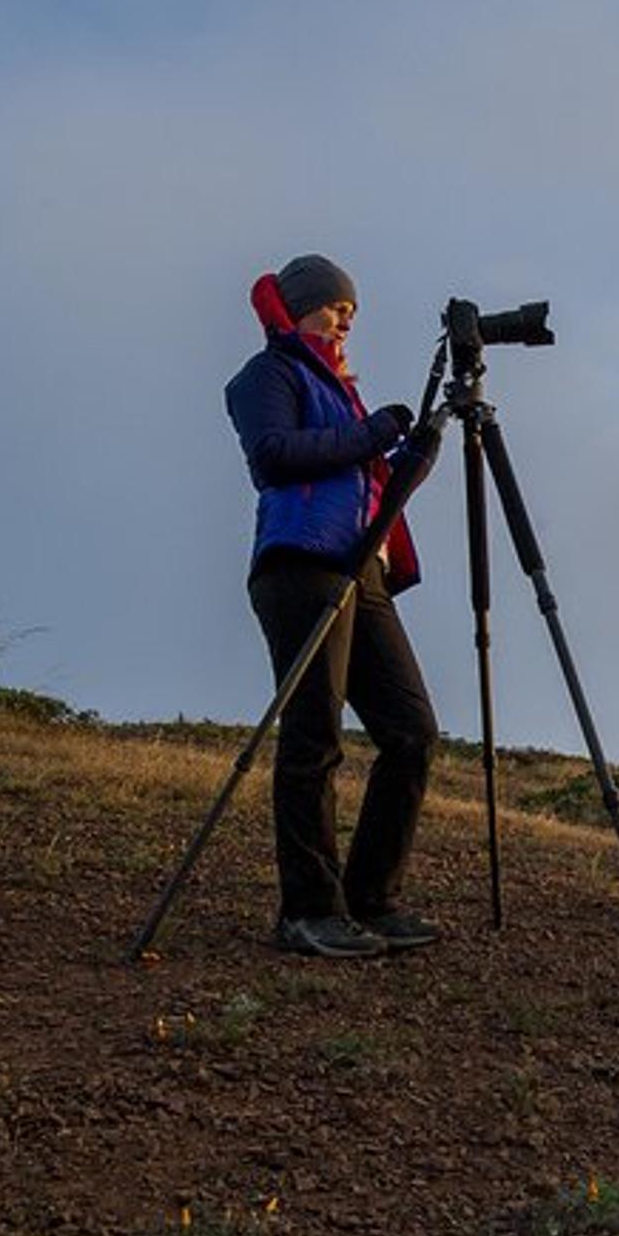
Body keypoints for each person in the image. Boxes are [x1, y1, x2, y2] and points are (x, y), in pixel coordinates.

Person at [225, 253, 441, 959]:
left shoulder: (343, 392)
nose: (347, 318)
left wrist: (413, 449)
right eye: (335, 307)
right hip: (301, 564)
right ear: (300, 306)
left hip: (362, 570)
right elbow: (275, 454)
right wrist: (373, 433)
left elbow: (365, 479)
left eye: (352, 311)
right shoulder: (269, 376)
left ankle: (370, 899)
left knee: (411, 731)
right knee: (314, 733)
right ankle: (308, 911)